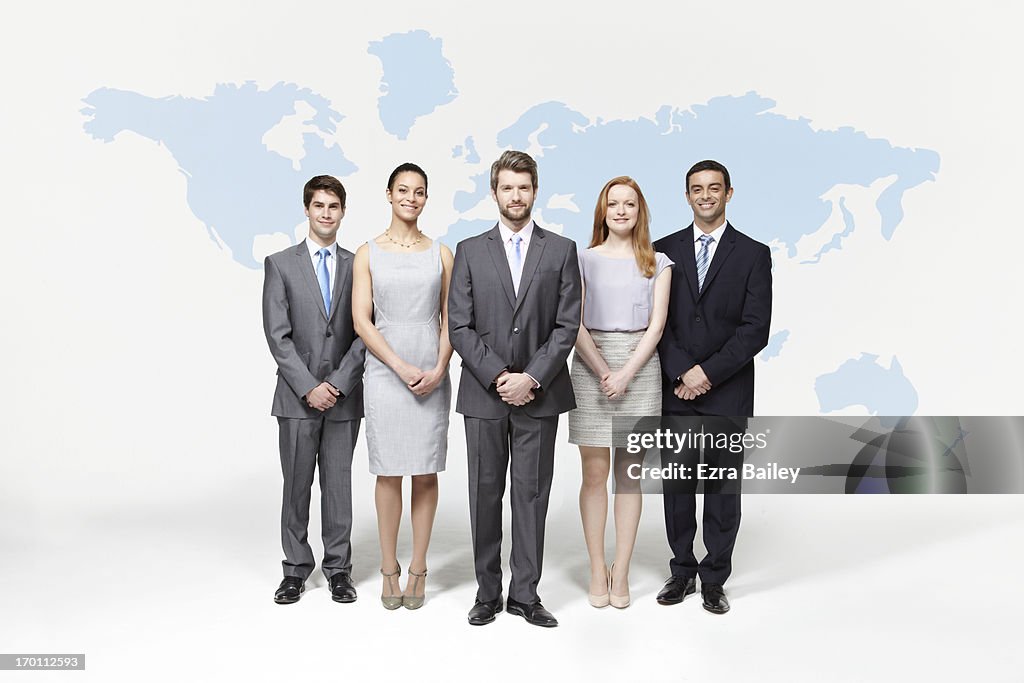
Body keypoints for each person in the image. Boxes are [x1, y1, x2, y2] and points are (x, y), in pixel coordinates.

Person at [448, 150, 582, 628]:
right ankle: (488, 592)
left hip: (540, 394)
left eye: (524, 187)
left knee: (531, 496)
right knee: (485, 495)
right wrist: (500, 375)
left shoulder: (561, 250)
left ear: (535, 191)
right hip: (485, 394)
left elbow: (567, 325)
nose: (516, 195)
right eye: (507, 187)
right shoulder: (469, 250)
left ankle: (525, 593)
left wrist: (532, 377)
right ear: (494, 192)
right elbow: (459, 325)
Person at [653, 160, 772, 614]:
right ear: (686, 196)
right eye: (697, 189)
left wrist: (707, 374)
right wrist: (684, 371)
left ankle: (714, 578)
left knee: (723, 490)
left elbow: (755, 328)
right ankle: (681, 570)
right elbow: (656, 323)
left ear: (729, 193)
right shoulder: (663, 250)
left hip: (727, 391)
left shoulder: (753, 254)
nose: (705, 196)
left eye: (714, 188)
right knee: (678, 486)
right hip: (676, 390)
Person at [352, 163, 454, 611]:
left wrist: (439, 366)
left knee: (426, 469)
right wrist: (398, 365)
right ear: (389, 195)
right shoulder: (367, 252)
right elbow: (361, 319)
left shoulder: (442, 253)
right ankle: (389, 567)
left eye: (419, 192)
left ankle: (419, 566)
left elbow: (454, 318)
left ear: (426, 199)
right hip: (385, 371)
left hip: (432, 370)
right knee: (389, 468)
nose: (411, 198)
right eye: (403, 190)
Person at [569, 177, 673, 609]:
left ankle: (622, 569)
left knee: (630, 476)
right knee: (594, 474)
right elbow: (571, 323)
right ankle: (597, 566)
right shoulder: (580, 260)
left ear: (640, 210)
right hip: (591, 359)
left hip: (640, 365)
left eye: (630, 204)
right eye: (614, 203)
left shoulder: (658, 262)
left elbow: (658, 324)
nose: (622, 210)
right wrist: (603, 370)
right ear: (603, 210)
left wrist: (626, 373)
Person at [262, 175, 366, 605]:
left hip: (343, 398)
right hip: (296, 399)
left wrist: (338, 384)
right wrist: (309, 387)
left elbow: (364, 332)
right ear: (306, 209)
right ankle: (295, 570)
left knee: (339, 486)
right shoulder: (280, 264)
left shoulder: (358, 264)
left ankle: (338, 569)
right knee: (297, 485)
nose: (326, 213)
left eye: (334, 206)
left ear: (343, 212)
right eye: (319, 205)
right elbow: (277, 335)